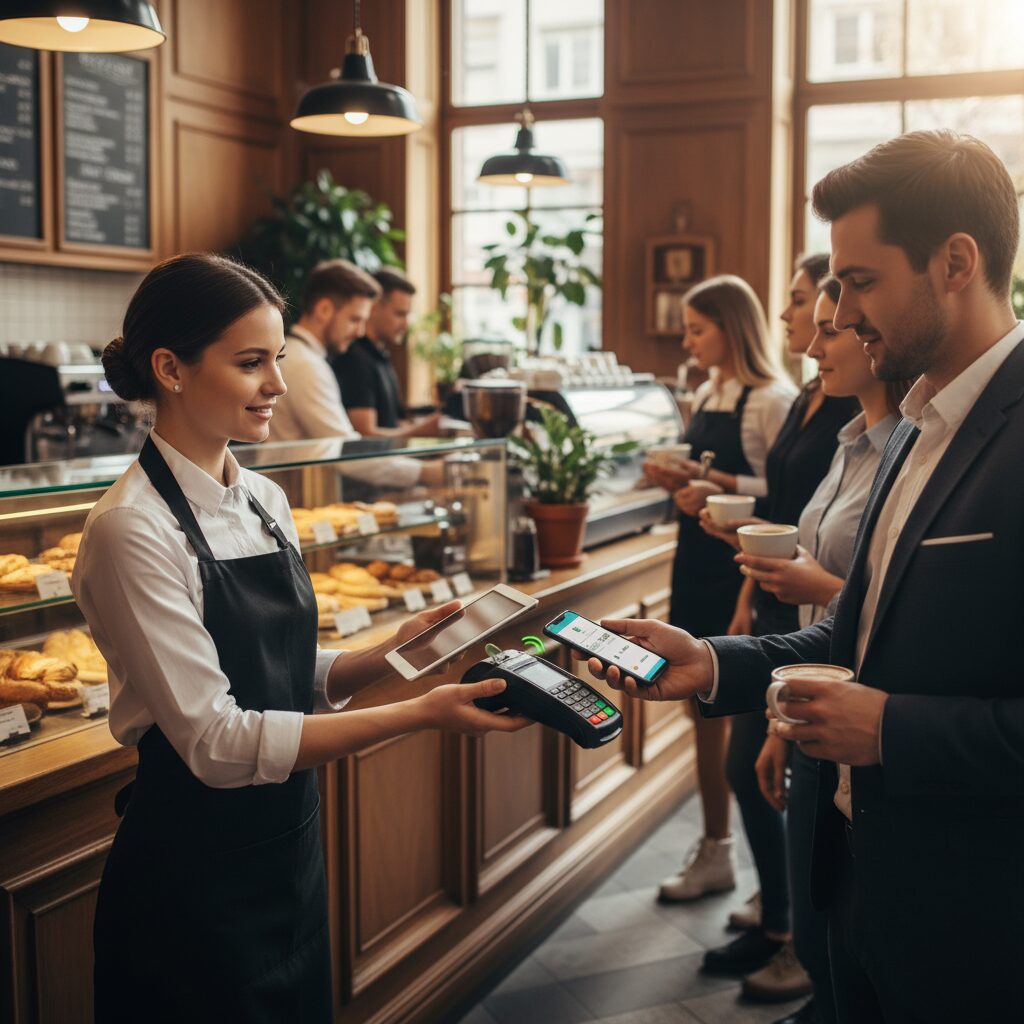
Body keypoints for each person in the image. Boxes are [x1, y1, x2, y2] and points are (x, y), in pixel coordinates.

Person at [581, 130, 1024, 1024]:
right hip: (853, 884)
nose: (843, 314)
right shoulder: (909, 424)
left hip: (974, 922)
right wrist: (712, 662)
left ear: (956, 262)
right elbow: (855, 633)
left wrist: (895, 727)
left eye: (860, 282)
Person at [75, 253, 526, 1022]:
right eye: (252, 363)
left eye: (278, 359)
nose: (278, 385)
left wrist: (389, 652)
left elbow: (281, 670)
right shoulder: (129, 530)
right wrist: (420, 710)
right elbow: (217, 741)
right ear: (170, 369)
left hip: (289, 849)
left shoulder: (264, 499)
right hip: (192, 875)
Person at [704, 273, 910, 1023]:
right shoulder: (849, 442)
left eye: (832, 328)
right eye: (814, 324)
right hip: (806, 680)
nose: (814, 343)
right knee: (823, 915)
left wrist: (804, 580)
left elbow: (874, 608)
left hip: (854, 710)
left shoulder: (906, 450)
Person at [692, 256, 859, 992]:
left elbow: (868, 596)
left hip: (815, 631)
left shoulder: (871, 429)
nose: (804, 332)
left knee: (778, 783)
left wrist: (803, 577)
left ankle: (792, 933)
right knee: (758, 772)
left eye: (818, 317)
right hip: (776, 610)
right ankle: (783, 922)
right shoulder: (814, 408)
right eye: (803, 313)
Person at [643, 275, 797, 905]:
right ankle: (717, 848)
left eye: (697, 328)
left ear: (733, 329)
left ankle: (773, 877)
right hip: (695, 563)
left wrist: (714, 484)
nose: (688, 339)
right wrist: (677, 477)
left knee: (747, 726)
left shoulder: (770, 399)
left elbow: (783, 489)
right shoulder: (710, 392)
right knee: (699, 711)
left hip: (741, 571)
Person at [267, 258, 378, 442]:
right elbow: (344, 453)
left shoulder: (299, 356)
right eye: (354, 320)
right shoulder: (305, 365)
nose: (361, 332)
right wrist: (426, 470)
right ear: (324, 309)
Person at [330, 267, 442, 438]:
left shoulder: (380, 356)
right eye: (399, 314)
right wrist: (421, 431)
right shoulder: (355, 359)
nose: (405, 324)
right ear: (373, 307)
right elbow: (365, 435)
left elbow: (394, 423)